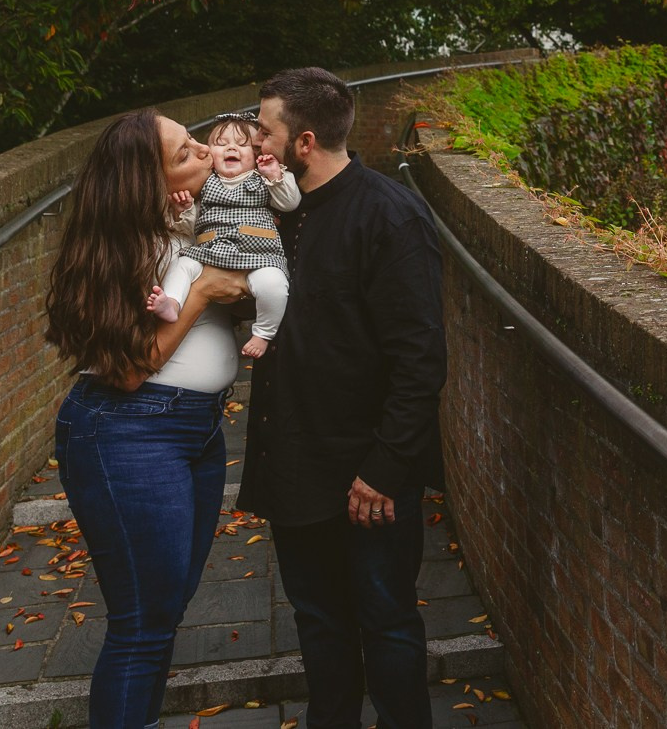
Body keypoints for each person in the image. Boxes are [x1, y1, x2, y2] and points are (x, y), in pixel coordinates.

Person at [244, 67, 447, 729]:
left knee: (386, 624)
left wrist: (385, 468)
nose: (255, 139)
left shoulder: (390, 214)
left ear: (304, 141)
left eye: (265, 127)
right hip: (297, 466)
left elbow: (421, 360)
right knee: (321, 626)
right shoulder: (275, 211)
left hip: (369, 477)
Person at [45, 109, 252, 729]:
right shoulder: (118, 251)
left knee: (165, 609)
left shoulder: (185, 233)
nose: (206, 154)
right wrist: (203, 296)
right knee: (142, 624)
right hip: (130, 429)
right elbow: (132, 369)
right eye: (186, 152)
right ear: (144, 181)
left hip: (197, 430)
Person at [153, 114, 298, 358]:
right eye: (220, 144)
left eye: (242, 145)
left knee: (274, 284)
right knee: (182, 265)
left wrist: (275, 176)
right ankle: (172, 302)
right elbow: (192, 230)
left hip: (259, 255)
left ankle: (263, 333)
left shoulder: (264, 178)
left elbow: (289, 203)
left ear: (255, 154)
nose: (231, 148)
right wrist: (184, 211)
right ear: (210, 154)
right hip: (212, 252)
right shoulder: (206, 185)